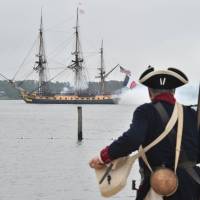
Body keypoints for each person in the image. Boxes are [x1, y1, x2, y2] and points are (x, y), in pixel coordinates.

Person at [89, 67, 200, 200]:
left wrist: (103, 157)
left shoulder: (145, 111)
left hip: (158, 188)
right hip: (193, 187)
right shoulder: (191, 114)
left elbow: (133, 139)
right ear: (174, 91)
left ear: (149, 92)